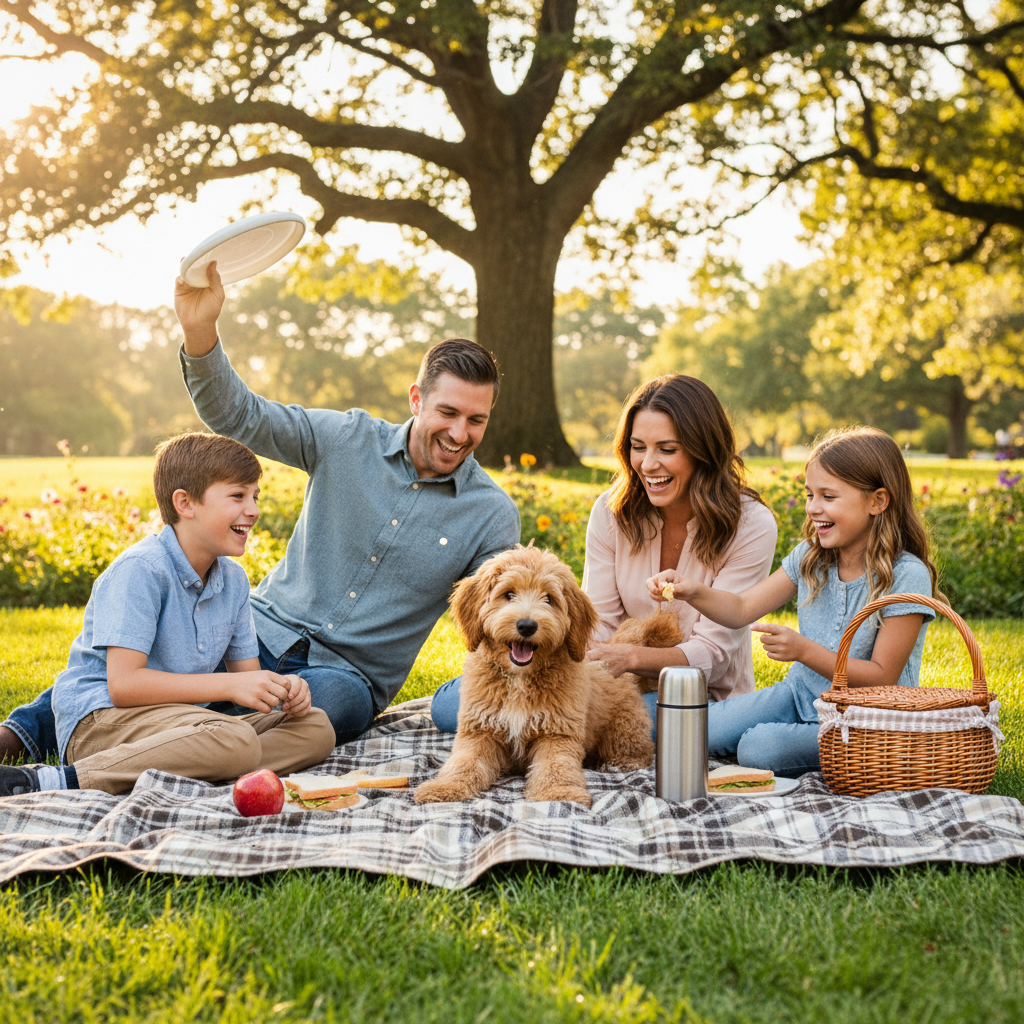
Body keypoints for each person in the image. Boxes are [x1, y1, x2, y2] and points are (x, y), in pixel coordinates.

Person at [0, 261, 520, 763]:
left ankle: (181, 742)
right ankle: (26, 732)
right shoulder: (345, 438)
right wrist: (200, 330)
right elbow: (239, 415)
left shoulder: (491, 515)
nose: (459, 433)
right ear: (416, 399)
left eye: (476, 420)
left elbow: (499, 617)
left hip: (345, 676)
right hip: (256, 631)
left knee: (327, 708)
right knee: (165, 652)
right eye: (448, 412)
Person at [429, 374, 778, 731]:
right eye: (638, 447)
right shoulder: (613, 511)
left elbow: (714, 657)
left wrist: (631, 658)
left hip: (700, 696)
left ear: (704, 451)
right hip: (608, 683)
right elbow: (599, 626)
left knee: (636, 725)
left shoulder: (751, 524)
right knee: (447, 705)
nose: (648, 464)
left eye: (667, 449)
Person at [0, 432, 336, 797]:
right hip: (103, 722)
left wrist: (283, 691)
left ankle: (201, 766)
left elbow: (247, 679)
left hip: (182, 724)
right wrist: (228, 686)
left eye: (255, 496)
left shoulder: (235, 581)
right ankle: (53, 780)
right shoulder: (141, 570)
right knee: (235, 738)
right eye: (238, 495)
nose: (253, 509)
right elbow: (124, 686)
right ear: (185, 503)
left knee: (316, 727)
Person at [648, 425, 941, 777]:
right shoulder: (810, 556)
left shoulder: (906, 574)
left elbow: (882, 677)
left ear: (877, 501)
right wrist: (693, 591)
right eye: (809, 495)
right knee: (673, 723)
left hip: (865, 721)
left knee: (760, 748)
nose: (813, 508)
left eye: (828, 497)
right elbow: (741, 609)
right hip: (797, 696)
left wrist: (803, 650)